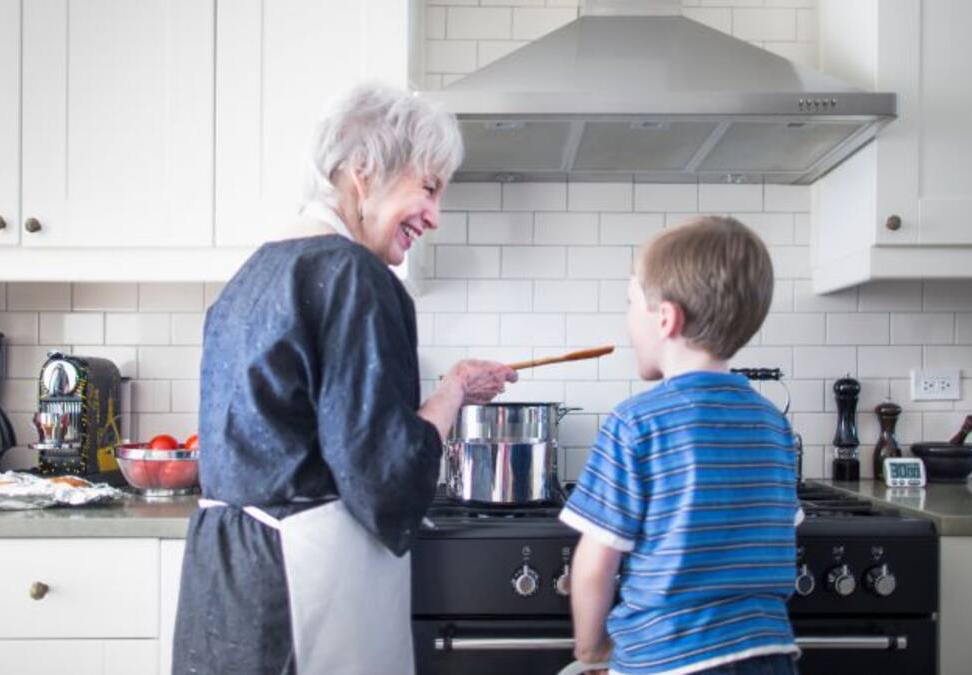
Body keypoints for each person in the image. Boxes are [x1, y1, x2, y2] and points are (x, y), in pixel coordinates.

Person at [171, 82, 517, 675]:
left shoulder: (249, 275)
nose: (434, 216)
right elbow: (387, 475)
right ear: (365, 169)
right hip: (302, 586)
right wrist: (451, 393)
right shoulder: (353, 275)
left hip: (225, 581)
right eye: (428, 188)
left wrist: (452, 385)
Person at [561, 216, 801, 675]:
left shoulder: (635, 424)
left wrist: (590, 649)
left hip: (666, 658)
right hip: (767, 655)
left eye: (631, 304)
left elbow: (595, 564)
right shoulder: (773, 425)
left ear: (666, 318)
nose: (627, 320)